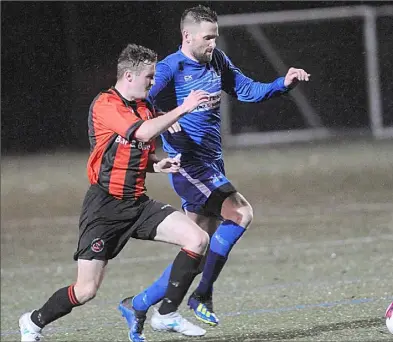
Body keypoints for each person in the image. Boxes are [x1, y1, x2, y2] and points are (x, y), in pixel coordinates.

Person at [121, 4, 311, 329]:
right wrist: (162, 120)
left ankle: (137, 305)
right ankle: (202, 296)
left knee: (195, 251)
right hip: (189, 166)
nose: (213, 44)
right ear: (188, 36)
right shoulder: (170, 68)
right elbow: (136, 100)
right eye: (208, 38)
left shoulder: (217, 61)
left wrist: (284, 83)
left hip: (211, 163)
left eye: (216, 37)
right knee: (240, 213)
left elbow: (247, 90)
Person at [19, 43, 213, 342]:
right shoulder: (106, 105)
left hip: (138, 204)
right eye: (149, 76)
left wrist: (157, 165)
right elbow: (142, 133)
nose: (153, 81)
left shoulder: (145, 106)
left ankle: (166, 313)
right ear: (129, 76)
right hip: (104, 208)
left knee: (198, 239)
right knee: (85, 291)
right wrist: (184, 107)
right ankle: (33, 321)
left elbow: (134, 150)